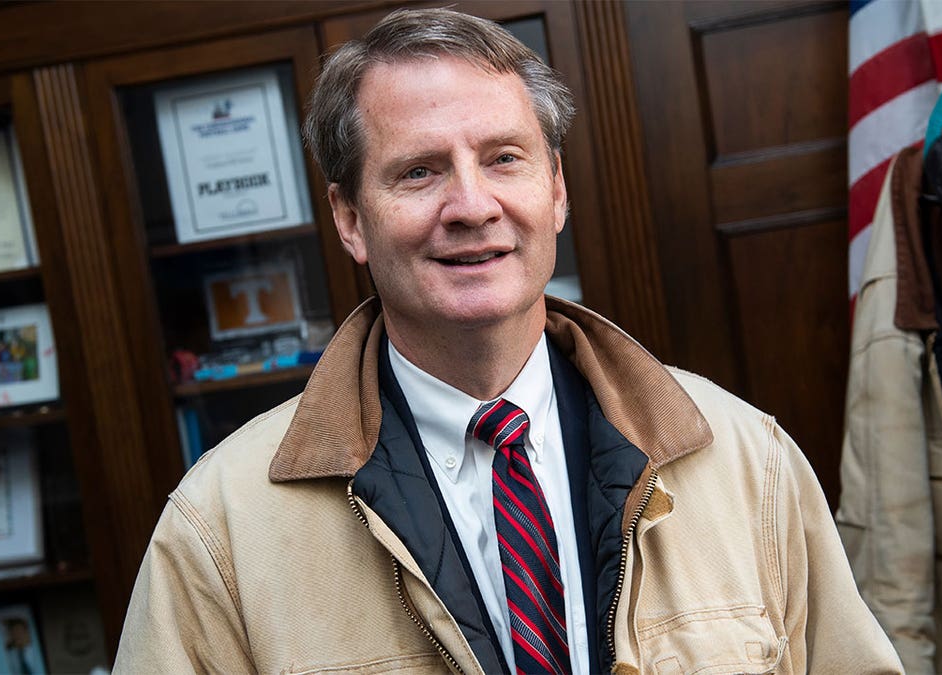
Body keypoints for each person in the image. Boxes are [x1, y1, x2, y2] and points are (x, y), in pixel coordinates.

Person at [114, 8, 901, 674]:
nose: (471, 204)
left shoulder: (743, 459)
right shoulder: (220, 527)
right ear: (350, 218)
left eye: (503, 158)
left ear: (555, 188)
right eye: (419, 172)